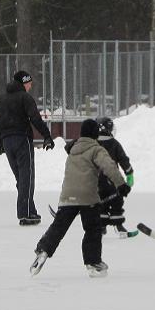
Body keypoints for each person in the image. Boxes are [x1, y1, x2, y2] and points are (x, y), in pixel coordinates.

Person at [29, 119, 131, 278]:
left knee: (59, 227)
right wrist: (121, 185)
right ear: (95, 134)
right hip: (88, 197)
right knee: (93, 229)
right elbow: (109, 166)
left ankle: (43, 250)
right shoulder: (96, 149)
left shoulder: (73, 149)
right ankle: (93, 262)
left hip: (67, 196)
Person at [0, 70, 55, 226]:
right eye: (29, 83)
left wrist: (0, 143)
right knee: (27, 178)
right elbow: (35, 118)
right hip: (22, 140)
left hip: (8, 141)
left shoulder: (2, 99)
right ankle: (25, 214)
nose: (30, 86)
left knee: (21, 179)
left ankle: (30, 210)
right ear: (23, 82)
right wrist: (47, 136)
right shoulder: (25, 97)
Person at [95, 117, 134, 238]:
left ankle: (101, 227)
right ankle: (119, 227)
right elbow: (123, 160)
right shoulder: (114, 144)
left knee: (101, 205)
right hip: (112, 181)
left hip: (96, 183)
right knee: (117, 202)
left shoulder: (93, 144)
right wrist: (129, 174)